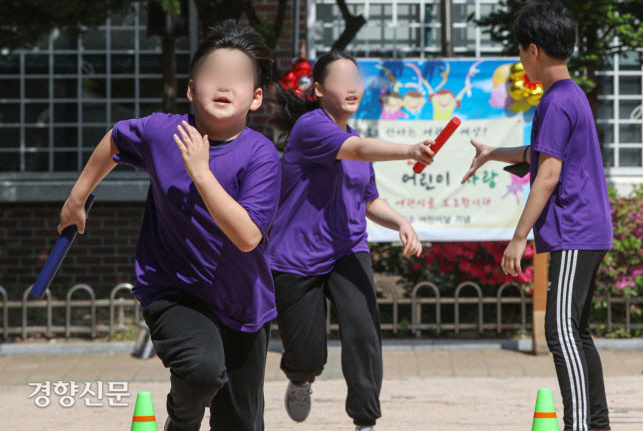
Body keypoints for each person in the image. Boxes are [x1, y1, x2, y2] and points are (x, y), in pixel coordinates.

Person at [57, 21, 280, 431]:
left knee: (242, 424)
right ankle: (180, 424)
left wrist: (201, 172)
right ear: (193, 90)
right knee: (201, 371)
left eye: (237, 78)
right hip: (173, 291)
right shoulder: (165, 133)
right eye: (214, 75)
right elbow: (116, 140)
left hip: (243, 303)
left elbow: (248, 237)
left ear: (256, 98)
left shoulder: (261, 156)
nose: (224, 85)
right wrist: (77, 197)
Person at [462, 3, 613, 431]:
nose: (521, 60)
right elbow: (541, 155)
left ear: (533, 50)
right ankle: (593, 424)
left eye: (520, 52)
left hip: (573, 231)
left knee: (560, 333)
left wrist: (517, 238)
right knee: (575, 333)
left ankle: (582, 425)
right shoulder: (570, 95)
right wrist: (493, 154)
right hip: (586, 231)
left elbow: (548, 173)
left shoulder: (555, 101)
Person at [266, 50, 434, 431]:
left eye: (355, 79)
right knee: (308, 356)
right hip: (296, 256)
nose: (352, 87)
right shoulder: (311, 127)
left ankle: (365, 421)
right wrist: (409, 149)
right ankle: (300, 377)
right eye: (341, 80)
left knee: (363, 331)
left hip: (347, 248)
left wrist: (401, 222)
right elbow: (355, 150)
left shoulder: (355, 139)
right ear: (319, 90)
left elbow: (369, 200)